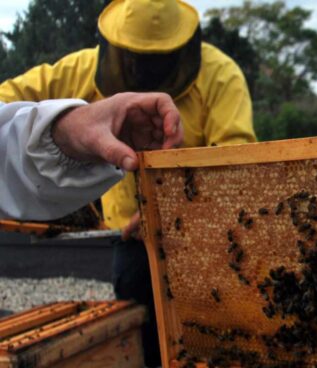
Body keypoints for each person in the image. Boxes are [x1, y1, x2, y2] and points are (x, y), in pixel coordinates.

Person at [0, 1, 256, 365]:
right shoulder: (78, 70)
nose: (141, 69)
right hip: (129, 242)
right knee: (141, 340)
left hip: (204, 241)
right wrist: (64, 122)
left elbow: (237, 162)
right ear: (115, 46)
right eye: (133, 58)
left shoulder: (221, 75)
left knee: (210, 342)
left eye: (155, 60)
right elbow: (4, 105)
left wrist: (172, 210)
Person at [0, 92, 182, 220]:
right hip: (122, 220)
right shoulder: (75, 68)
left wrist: (65, 132)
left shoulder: (210, 75)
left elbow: (8, 154)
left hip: (167, 212)